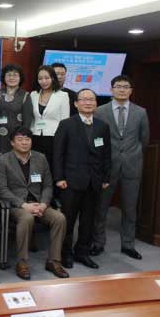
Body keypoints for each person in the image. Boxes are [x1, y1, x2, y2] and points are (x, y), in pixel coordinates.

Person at [0, 126, 68, 280]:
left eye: (27, 139)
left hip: (39, 203)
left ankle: (54, 261)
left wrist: (43, 204)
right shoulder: (2, 161)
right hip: (16, 206)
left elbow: (47, 185)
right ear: (12, 143)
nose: (24, 143)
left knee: (59, 218)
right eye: (20, 139)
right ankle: (22, 262)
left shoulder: (41, 158)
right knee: (27, 218)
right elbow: (1, 189)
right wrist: (23, 205)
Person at [92, 75, 150, 260]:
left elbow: (144, 140)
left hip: (132, 166)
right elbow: (96, 140)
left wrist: (131, 155)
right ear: (111, 89)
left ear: (131, 90)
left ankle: (128, 245)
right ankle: (98, 242)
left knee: (130, 208)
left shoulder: (141, 112)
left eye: (126, 87)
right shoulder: (100, 111)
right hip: (107, 167)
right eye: (118, 86)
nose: (122, 90)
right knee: (101, 208)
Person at [53, 89, 111, 270]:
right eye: (84, 99)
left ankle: (82, 252)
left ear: (96, 103)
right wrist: (59, 177)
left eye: (91, 100)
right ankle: (65, 253)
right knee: (68, 220)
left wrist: (105, 177)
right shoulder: (66, 124)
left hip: (94, 182)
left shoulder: (102, 126)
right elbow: (58, 153)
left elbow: (106, 154)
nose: (88, 102)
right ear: (76, 104)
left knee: (88, 221)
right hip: (70, 181)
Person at [30, 65, 69, 173]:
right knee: (36, 168)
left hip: (54, 138)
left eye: (47, 78)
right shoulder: (33, 94)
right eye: (40, 78)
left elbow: (65, 121)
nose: (43, 81)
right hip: (35, 137)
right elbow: (31, 118)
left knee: (51, 168)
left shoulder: (63, 95)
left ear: (53, 78)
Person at [0, 64, 33, 155]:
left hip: (17, 138)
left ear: (20, 78)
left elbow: (27, 121)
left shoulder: (25, 95)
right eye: (9, 75)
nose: (12, 78)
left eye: (15, 75)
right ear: (4, 77)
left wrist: (22, 139)